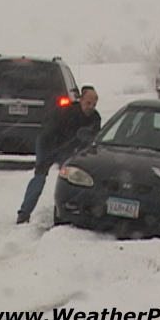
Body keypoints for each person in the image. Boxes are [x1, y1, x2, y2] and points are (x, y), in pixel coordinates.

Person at [16, 88, 101, 224]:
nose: (90, 107)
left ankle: (69, 212)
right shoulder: (66, 113)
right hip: (48, 144)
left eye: (94, 104)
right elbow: (47, 134)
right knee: (39, 178)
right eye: (88, 103)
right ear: (80, 100)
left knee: (72, 178)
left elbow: (92, 141)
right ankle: (24, 214)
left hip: (67, 149)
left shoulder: (95, 119)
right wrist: (45, 160)